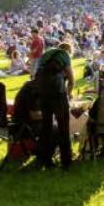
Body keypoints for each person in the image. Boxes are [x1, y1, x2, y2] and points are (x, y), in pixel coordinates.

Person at [34, 42, 75, 170]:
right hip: (57, 94)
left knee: (46, 128)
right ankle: (66, 162)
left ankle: (46, 160)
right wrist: (69, 93)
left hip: (42, 94)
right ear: (68, 51)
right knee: (63, 128)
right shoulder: (64, 55)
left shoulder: (46, 54)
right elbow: (71, 78)